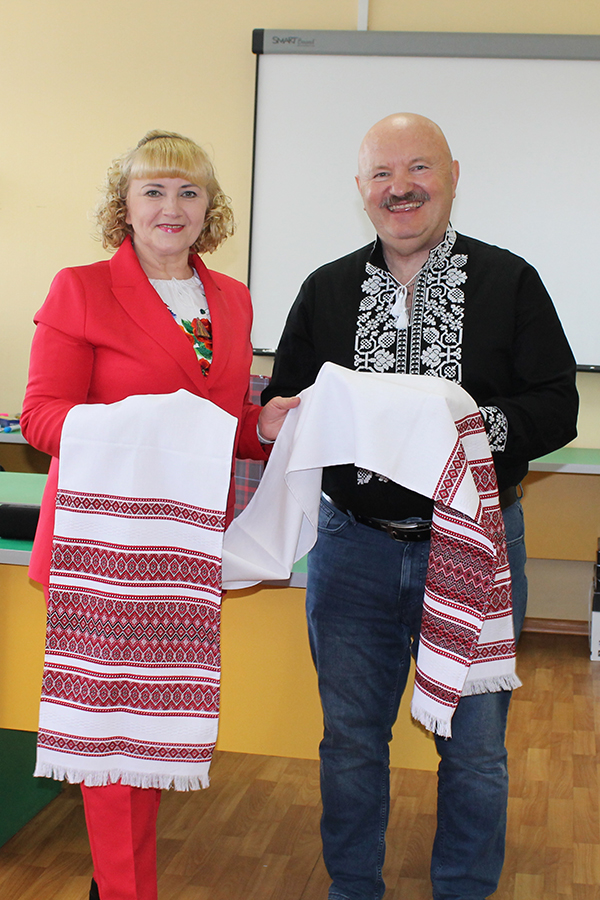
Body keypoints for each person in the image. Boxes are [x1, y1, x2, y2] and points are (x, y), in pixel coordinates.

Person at [262, 113, 579, 900]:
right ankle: (352, 890)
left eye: (419, 168)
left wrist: (464, 425)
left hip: (474, 544)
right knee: (349, 742)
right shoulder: (325, 288)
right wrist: (274, 414)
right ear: (361, 188)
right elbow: (285, 396)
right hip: (352, 550)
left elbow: (557, 406)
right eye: (382, 173)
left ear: (453, 175)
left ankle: (464, 890)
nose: (400, 188)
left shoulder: (511, 281)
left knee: (474, 750)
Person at [21, 130, 297, 900]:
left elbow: (217, 423)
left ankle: (119, 886)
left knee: (150, 737)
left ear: (210, 207)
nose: (170, 207)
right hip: (104, 550)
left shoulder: (232, 298)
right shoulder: (81, 288)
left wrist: (262, 425)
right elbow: (42, 418)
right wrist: (147, 421)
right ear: (125, 205)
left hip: (182, 550)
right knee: (111, 740)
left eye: (188, 191)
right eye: (153, 190)